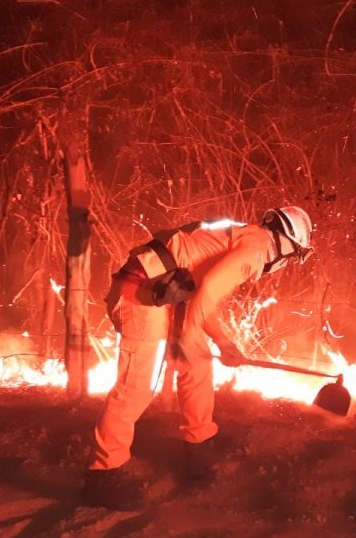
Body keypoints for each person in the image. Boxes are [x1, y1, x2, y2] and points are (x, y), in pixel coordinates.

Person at [83, 206, 314, 509]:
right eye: (295, 255)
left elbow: (201, 298)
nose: (287, 264)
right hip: (139, 294)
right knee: (137, 386)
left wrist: (221, 342)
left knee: (197, 364)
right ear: (287, 243)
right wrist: (204, 340)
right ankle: (103, 475)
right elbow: (206, 293)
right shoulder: (255, 249)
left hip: (162, 293)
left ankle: (199, 446)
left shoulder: (247, 237)